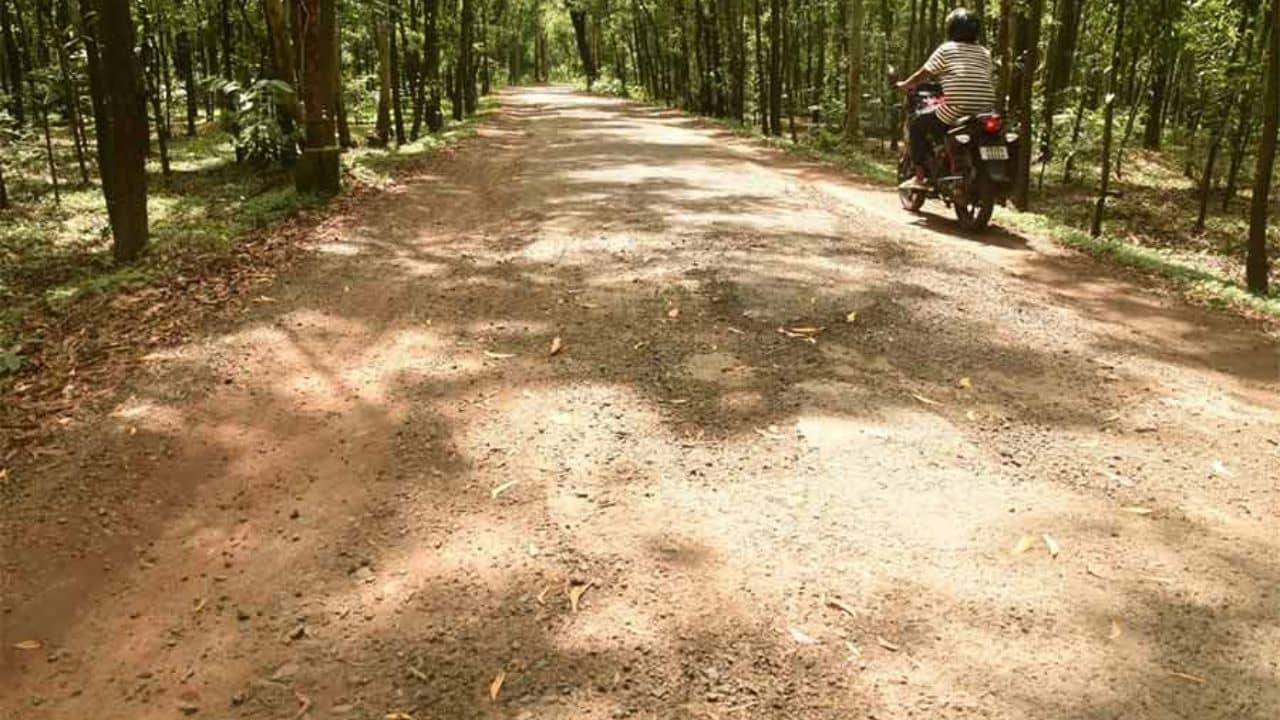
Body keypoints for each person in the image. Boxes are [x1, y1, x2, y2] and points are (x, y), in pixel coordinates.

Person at [895, 8, 997, 191]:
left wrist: (906, 84)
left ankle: (919, 177)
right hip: (985, 109)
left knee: (917, 124)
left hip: (957, 108)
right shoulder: (984, 52)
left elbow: (924, 73)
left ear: (951, 28)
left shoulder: (946, 49)